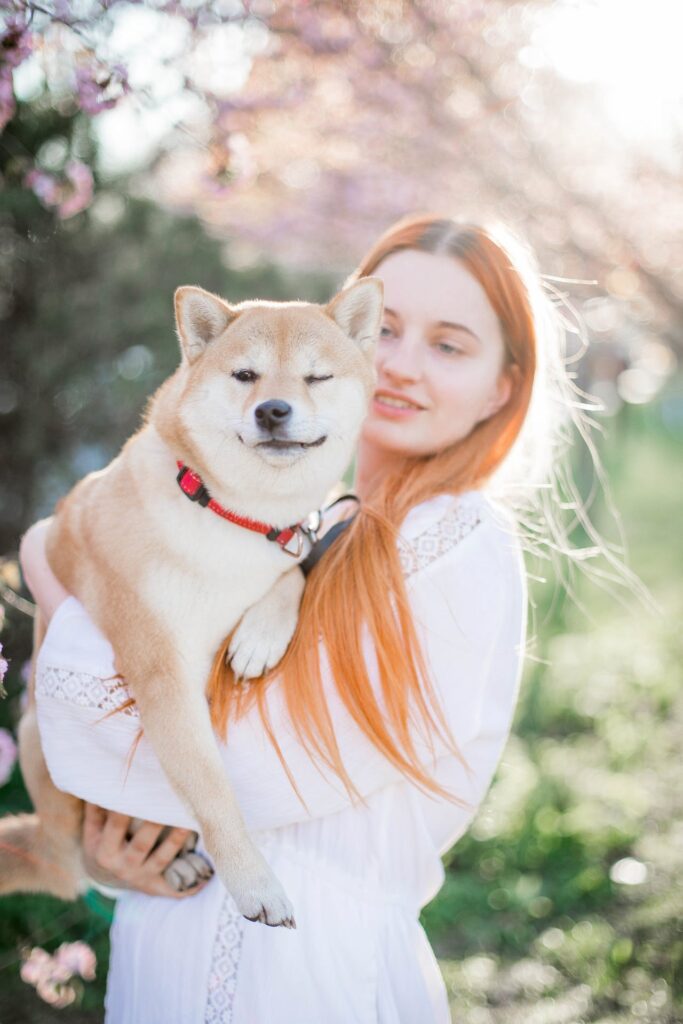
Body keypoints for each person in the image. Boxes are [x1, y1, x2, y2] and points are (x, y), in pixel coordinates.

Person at [20, 215, 594, 1023]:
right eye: (380, 328)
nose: (394, 363)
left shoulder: (454, 540)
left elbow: (266, 765)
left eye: (449, 345)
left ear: (504, 384)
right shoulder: (301, 519)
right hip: (169, 949)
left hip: (306, 971)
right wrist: (110, 848)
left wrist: (55, 578)